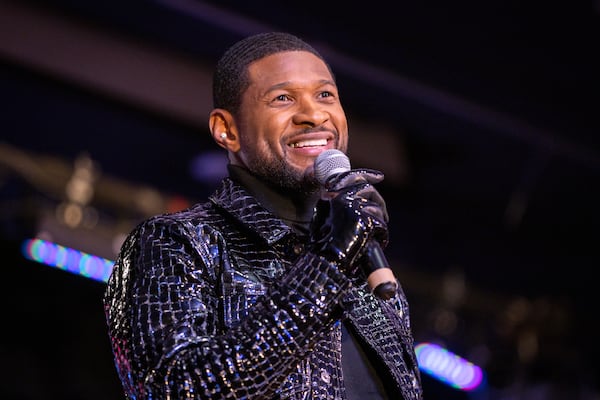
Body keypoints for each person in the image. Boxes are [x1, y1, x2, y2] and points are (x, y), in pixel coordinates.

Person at [103, 31, 423, 400]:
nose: (314, 115)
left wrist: (338, 257)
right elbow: (180, 390)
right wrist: (328, 263)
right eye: (283, 98)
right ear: (227, 129)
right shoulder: (174, 242)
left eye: (325, 95)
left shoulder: (364, 266)